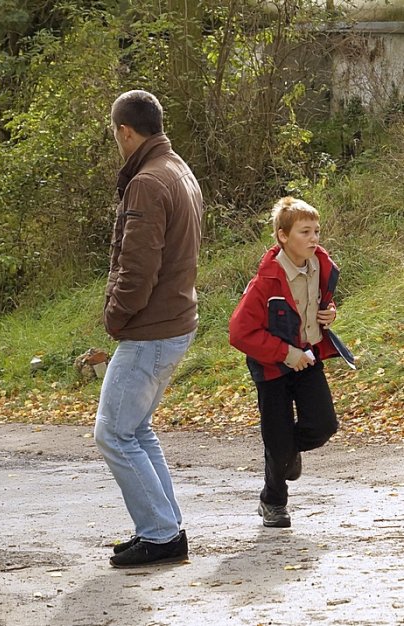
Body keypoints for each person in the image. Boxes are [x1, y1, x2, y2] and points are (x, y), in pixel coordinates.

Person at [94, 90, 203, 568]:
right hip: (173, 321)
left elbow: (138, 268)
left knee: (113, 434)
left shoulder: (147, 182)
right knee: (136, 429)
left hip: (151, 327)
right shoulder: (177, 169)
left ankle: (160, 534)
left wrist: (116, 316)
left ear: (125, 131)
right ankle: (164, 525)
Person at [229, 197, 353, 528]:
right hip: (271, 368)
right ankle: (274, 502)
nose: (314, 238)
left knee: (323, 426)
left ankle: (284, 453)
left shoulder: (320, 266)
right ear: (283, 236)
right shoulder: (265, 282)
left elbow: (317, 304)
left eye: (316, 231)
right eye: (305, 232)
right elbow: (239, 333)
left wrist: (330, 312)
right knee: (279, 441)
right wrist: (286, 354)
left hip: (308, 359)